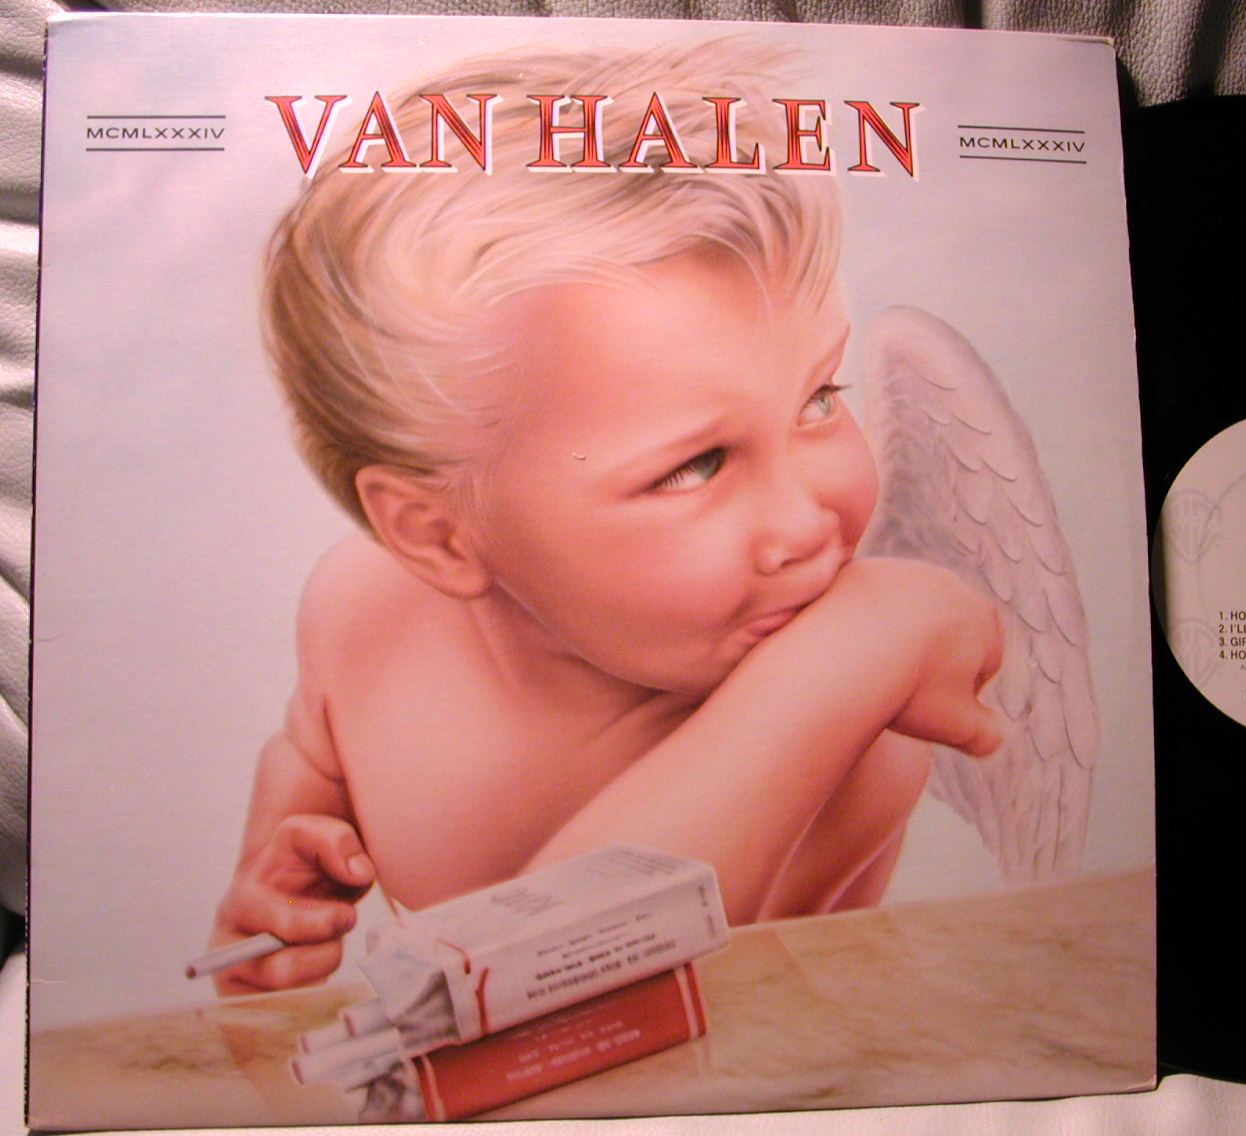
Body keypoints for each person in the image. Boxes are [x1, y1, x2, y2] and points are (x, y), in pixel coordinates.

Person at [210, 39, 1003, 995]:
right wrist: (279, 886)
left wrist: (855, 651)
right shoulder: (361, 607)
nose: (804, 524)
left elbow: (559, 971)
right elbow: (312, 749)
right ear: (436, 534)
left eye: (819, 399)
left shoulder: (849, 717)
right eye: (694, 466)